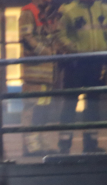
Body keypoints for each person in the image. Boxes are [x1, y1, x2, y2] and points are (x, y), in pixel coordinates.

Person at [55, 0, 107, 153]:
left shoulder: (103, 9)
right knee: (70, 103)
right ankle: (64, 145)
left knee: (92, 104)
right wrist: (75, 49)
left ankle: (90, 143)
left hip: (96, 62)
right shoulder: (68, 10)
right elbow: (59, 35)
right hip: (76, 63)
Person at [19, 0, 59, 155]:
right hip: (34, 72)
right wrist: (46, 52)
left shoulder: (46, 13)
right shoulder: (28, 13)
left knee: (43, 109)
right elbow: (27, 38)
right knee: (32, 108)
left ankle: (42, 141)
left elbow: (51, 37)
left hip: (47, 72)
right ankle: (31, 145)